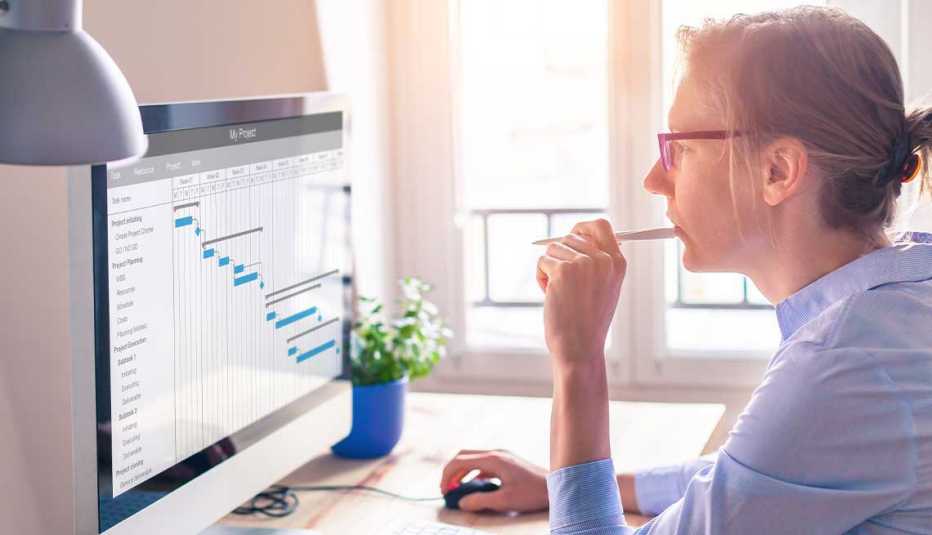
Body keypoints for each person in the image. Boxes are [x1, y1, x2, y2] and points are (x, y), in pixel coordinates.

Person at [439, 6, 932, 533]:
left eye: (681, 147)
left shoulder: (841, 364)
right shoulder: (898, 297)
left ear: (778, 170)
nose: (655, 179)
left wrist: (578, 361)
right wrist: (561, 485)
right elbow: (755, 475)